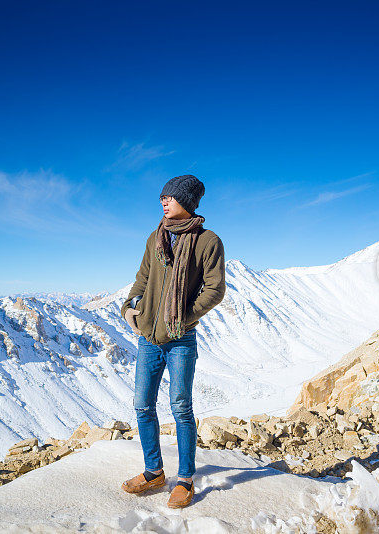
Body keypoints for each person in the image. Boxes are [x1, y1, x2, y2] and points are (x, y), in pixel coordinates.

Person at [119, 174, 226, 508]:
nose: (163, 201)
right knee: (142, 405)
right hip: (148, 337)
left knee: (180, 406)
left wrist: (184, 317)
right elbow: (143, 278)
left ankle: (185, 480)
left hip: (181, 338)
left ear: (187, 201)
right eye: (162, 197)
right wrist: (129, 308)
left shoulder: (208, 241)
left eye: (170, 197)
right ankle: (154, 472)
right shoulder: (156, 237)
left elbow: (215, 289)